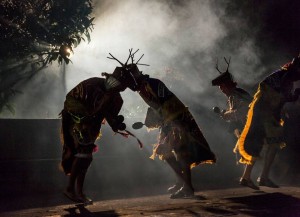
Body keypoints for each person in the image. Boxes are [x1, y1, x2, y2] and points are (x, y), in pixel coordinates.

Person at [118, 53, 216, 199]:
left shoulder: (153, 83)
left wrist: (167, 120)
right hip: (168, 122)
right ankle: (182, 182)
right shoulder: (142, 89)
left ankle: (187, 187)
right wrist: (151, 119)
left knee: (181, 153)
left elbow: (166, 102)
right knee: (166, 154)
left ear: (136, 75)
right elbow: (155, 106)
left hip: (178, 120)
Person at [60, 64, 130, 204]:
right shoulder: (91, 85)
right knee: (83, 154)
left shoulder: (116, 99)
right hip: (77, 120)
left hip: (92, 125)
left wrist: (116, 124)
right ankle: (71, 189)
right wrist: (84, 119)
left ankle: (78, 191)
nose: (117, 86)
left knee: (86, 157)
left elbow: (108, 116)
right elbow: (72, 102)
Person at [236, 54, 300, 189]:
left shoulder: (282, 75)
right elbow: (282, 97)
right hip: (265, 113)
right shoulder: (286, 77)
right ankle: (262, 177)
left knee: (258, 142)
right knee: (272, 144)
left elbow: (280, 96)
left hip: (262, 112)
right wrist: (295, 95)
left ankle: (247, 177)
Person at [211, 59, 258, 190]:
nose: (221, 90)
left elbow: (244, 111)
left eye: (222, 87)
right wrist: (225, 114)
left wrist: (226, 114)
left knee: (253, 150)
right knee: (251, 151)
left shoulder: (237, 95)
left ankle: (248, 177)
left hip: (252, 125)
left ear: (228, 85)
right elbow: (235, 113)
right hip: (245, 126)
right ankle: (246, 177)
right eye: (220, 88)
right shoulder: (233, 95)